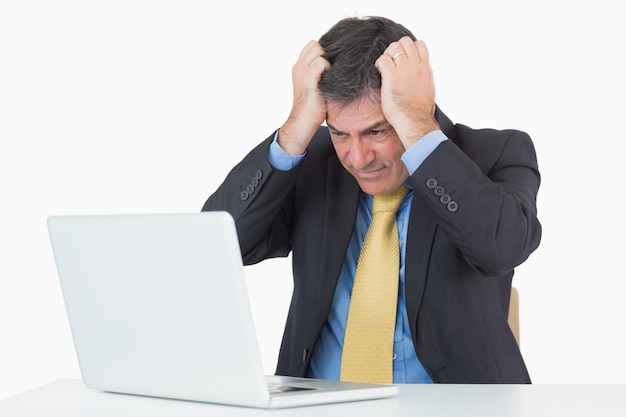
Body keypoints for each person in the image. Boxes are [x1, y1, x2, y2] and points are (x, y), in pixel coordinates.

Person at [202, 16, 541, 384]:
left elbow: (502, 248)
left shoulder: (496, 152)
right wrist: (295, 130)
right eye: (340, 133)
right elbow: (214, 249)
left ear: (420, 105)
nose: (358, 158)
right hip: (318, 406)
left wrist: (417, 128)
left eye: (376, 130)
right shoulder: (314, 163)